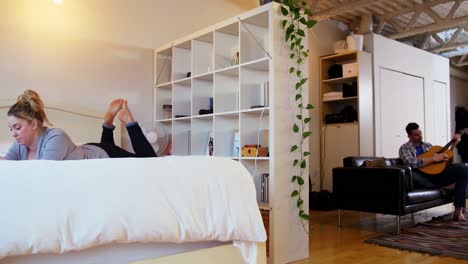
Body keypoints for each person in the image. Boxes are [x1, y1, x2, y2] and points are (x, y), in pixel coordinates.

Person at [1, 89, 156, 161]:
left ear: (34, 124)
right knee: (107, 148)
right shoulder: (20, 144)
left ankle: (129, 121)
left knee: (149, 160)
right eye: (11, 129)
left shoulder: (56, 137)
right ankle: (107, 123)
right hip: (88, 150)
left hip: (100, 154)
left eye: (17, 127)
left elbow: (42, 174)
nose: (13, 133)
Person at [399, 122, 468, 221]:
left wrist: (453, 146)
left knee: (464, 168)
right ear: (409, 136)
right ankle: (445, 186)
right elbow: (411, 163)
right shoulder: (404, 148)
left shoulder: (428, 145)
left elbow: (446, 162)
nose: (420, 136)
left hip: (438, 175)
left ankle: (458, 210)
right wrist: (433, 159)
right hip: (421, 176)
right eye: (416, 134)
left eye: (420, 133)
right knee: (412, 175)